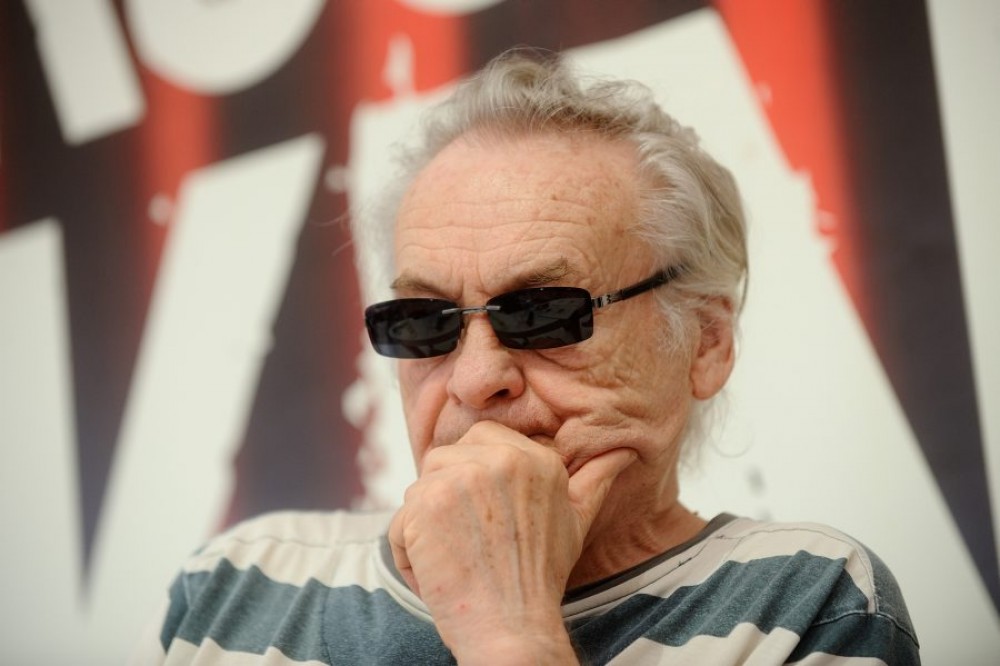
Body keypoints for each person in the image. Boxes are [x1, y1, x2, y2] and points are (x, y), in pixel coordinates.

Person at [141, 50, 919, 664]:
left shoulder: (810, 604)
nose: (476, 380)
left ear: (707, 343)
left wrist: (508, 632)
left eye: (543, 313)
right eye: (425, 321)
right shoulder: (233, 585)